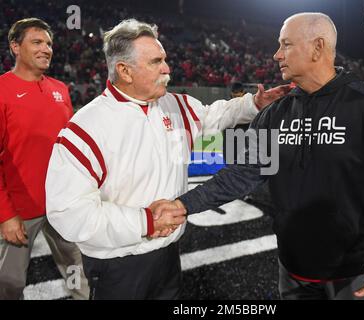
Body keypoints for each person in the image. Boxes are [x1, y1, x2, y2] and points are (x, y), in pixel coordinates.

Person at [153, 12, 364, 300]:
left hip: (359, 277)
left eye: (286, 44)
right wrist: (183, 205)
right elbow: (241, 174)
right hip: (293, 273)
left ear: (318, 47)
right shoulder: (274, 114)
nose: (276, 54)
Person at [44, 19, 289, 300]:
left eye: (165, 59)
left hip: (169, 254)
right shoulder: (86, 128)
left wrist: (253, 104)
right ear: (124, 71)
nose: (167, 68)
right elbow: (67, 212)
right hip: (118, 263)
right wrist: (145, 222)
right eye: (156, 62)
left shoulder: (174, 104)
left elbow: (213, 115)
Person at [0, 18, 88, 300]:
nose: (46, 49)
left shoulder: (60, 90)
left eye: (49, 43)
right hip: (20, 210)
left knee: (78, 271)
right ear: (15, 46)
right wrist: (6, 215)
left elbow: (70, 147)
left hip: (62, 204)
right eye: (37, 42)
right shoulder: (1, 90)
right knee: (9, 283)